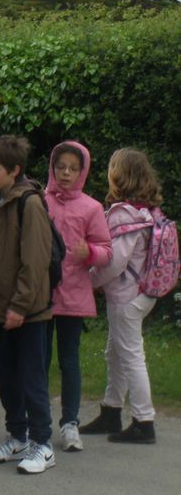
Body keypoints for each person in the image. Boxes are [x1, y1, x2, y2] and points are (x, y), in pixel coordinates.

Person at [0, 135, 56, 475]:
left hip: (30, 312)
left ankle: (43, 444)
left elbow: (35, 261)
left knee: (32, 378)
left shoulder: (30, 204)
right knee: (6, 377)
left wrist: (20, 306)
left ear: (15, 171)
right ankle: (18, 436)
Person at [80, 148, 164, 445]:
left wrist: (87, 281)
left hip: (126, 298)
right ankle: (111, 410)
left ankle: (144, 421)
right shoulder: (147, 211)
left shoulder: (122, 214)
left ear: (118, 175)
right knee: (116, 353)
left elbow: (114, 262)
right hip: (142, 293)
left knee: (130, 356)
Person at [42, 142, 112, 451]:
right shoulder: (39, 202)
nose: (66, 173)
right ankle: (38, 421)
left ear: (82, 171)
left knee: (68, 361)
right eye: (61, 168)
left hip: (73, 295)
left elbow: (107, 251)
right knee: (38, 361)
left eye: (73, 168)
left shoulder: (92, 207)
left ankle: (70, 423)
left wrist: (91, 252)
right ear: (52, 169)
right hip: (41, 295)